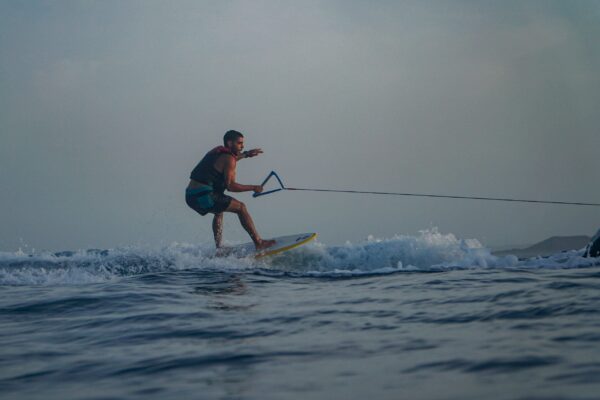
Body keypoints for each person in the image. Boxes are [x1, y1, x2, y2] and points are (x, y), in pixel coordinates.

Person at [186, 130, 276, 251]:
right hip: (204, 196)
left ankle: (219, 248)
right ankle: (259, 242)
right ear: (229, 143)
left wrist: (247, 154)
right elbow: (231, 186)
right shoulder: (229, 159)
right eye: (239, 143)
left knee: (219, 210)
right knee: (241, 208)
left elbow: (232, 158)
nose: (242, 146)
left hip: (191, 196)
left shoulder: (217, 153)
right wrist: (254, 187)